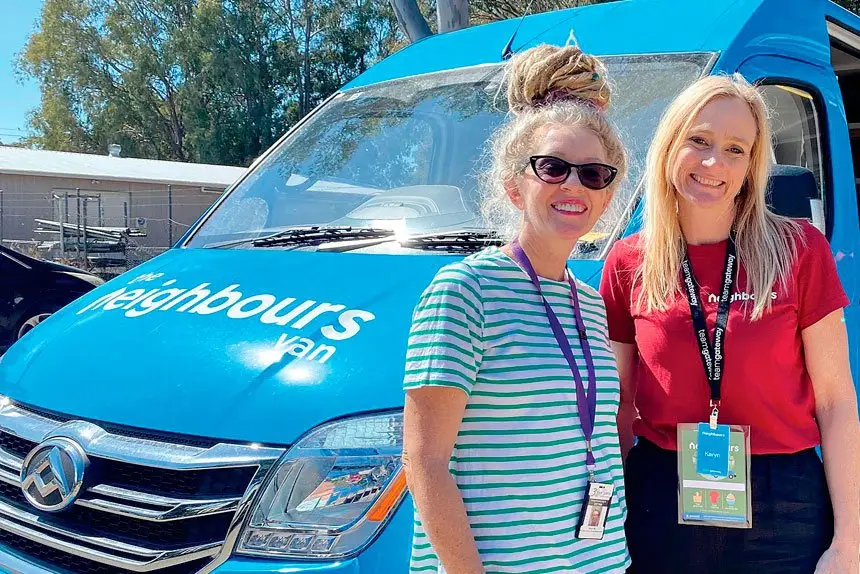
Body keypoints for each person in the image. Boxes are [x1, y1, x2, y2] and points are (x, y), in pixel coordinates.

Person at [599, 73, 860, 574]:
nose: (714, 162)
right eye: (699, 140)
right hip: (661, 494)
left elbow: (836, 400)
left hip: (785, 501)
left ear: (752, 166)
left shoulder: (799, 251)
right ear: (671, 143)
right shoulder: (629, 263)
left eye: (735, 149)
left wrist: (849, 540)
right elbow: (619, 406)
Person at [402, 44, 630, 573]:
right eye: (552, 167)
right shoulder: (464, 290)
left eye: (594, 174)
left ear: (607, 194)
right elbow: (425, 463)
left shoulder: (592, 305)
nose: (574, 184)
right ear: (512, 184)